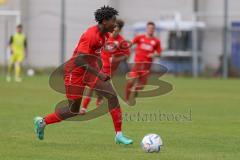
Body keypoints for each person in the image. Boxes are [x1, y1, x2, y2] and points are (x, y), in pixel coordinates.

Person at [33, 6, 133, 145]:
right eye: (113, 21)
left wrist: (102, 71)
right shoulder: (90, 35)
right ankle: (42, 122)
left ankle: (119, 135)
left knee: (112, 96)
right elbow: (79, 60)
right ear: (104, 21)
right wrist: (99, 73)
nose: (115, 24)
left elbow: (95, 56)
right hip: (75, 72)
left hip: (89, 71)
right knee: (73, 111)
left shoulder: (105, 35)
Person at [80, 19, 130, 114]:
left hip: (110, 69)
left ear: (120, 31)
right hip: (98, 65)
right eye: (113, 29)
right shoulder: (105, 36)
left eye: (117, 30)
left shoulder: (121, 41)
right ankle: (84, 108)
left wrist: (115, 59)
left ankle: (99, 97)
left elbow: (126, 55)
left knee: (98, 87)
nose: (114, 32)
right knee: (92, 85)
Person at [125, 22, 162, 103]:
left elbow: (159, 53)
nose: (150, 30)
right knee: (131, 81)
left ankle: (135, 91)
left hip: (147, 67)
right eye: (149, 28)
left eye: (152, 28)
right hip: (137, 64)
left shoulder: (156, 41)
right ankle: (127, 99)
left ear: (154, 30)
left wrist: (154, 54)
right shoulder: (140, 38)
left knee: (141, 86)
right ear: (146, 29)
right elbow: (130, 44)